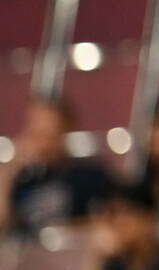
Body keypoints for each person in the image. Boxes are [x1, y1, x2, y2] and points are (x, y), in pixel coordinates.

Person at [0, 98, 113, 237]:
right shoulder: (20, 180)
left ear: (66, 131)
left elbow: (111, 222)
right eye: (35, 133)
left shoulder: (89, 175)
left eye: (49, 134)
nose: (41, 143)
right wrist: (7, 174)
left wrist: (66, 230)